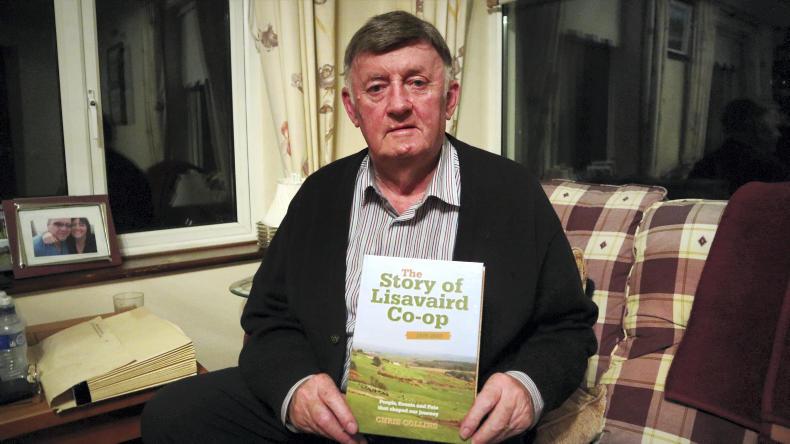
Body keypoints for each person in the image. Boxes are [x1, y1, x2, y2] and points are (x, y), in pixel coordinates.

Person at [141, 11, 597, 444]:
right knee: (173, 413)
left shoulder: (512, 193)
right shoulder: (319, 194)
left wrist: (525, 386)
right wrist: (297, 387)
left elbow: (567, 327)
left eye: (417, 83)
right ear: (352, 107)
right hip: (332, 415)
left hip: (455, 425)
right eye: (376, 88)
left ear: (449, 98)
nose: (398, 105)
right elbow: (267, 318)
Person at [689, 98, 789, 195]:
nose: (778, 135)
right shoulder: (769, 169)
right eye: (774, 128)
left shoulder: (707, 164)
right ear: (756, 129)